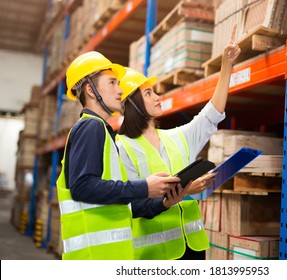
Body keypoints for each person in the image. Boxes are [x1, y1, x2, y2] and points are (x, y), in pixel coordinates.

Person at [116, 25, 241, 260]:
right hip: (156, 255)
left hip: (193, 248)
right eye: (149, 93)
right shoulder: (123, 148)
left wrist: (226, 65)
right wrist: (180, 194)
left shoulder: (177, 137)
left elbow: (212, 114)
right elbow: (131, 206)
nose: (158, 97)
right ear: (132, 104)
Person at [56, 51, 187, 260]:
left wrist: (163, 202)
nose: (120, 90)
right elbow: (82, 187)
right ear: (91, 90)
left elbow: (121, 204)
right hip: (93, 258)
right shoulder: (91, 127)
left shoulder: (103, 132)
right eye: (113, 83)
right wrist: (144, 186)